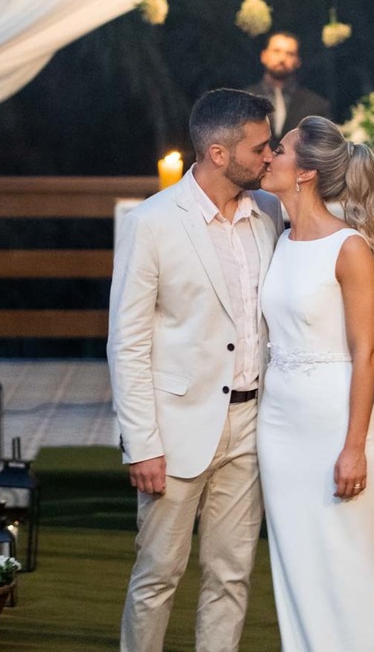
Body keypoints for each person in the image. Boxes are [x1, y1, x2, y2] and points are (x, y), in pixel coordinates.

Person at [108, 88, 279, 652]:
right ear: (219, 153)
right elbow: (127, 343)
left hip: (251, 427)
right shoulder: (152, 222)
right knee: (158, 576)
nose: (270, 155)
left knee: (231, 577)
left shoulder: (267, 217)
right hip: (175, 428)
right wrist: (142, 443)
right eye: (260, 146)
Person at [257, 115, 374, 651]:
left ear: (306, 172)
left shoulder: (349, 248)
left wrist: (354, 448)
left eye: (281, 149)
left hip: (335, 425)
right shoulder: (277, 235)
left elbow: (367, 355)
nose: (268, 155)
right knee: (295, 566)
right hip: (278, 426)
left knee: (346, 570)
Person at [246, 31, 331, 143]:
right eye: (276, 51)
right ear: (264, 56)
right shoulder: (244, 100)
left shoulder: (317, 105)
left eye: (290, 54)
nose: (282, 59)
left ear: (298, 61)